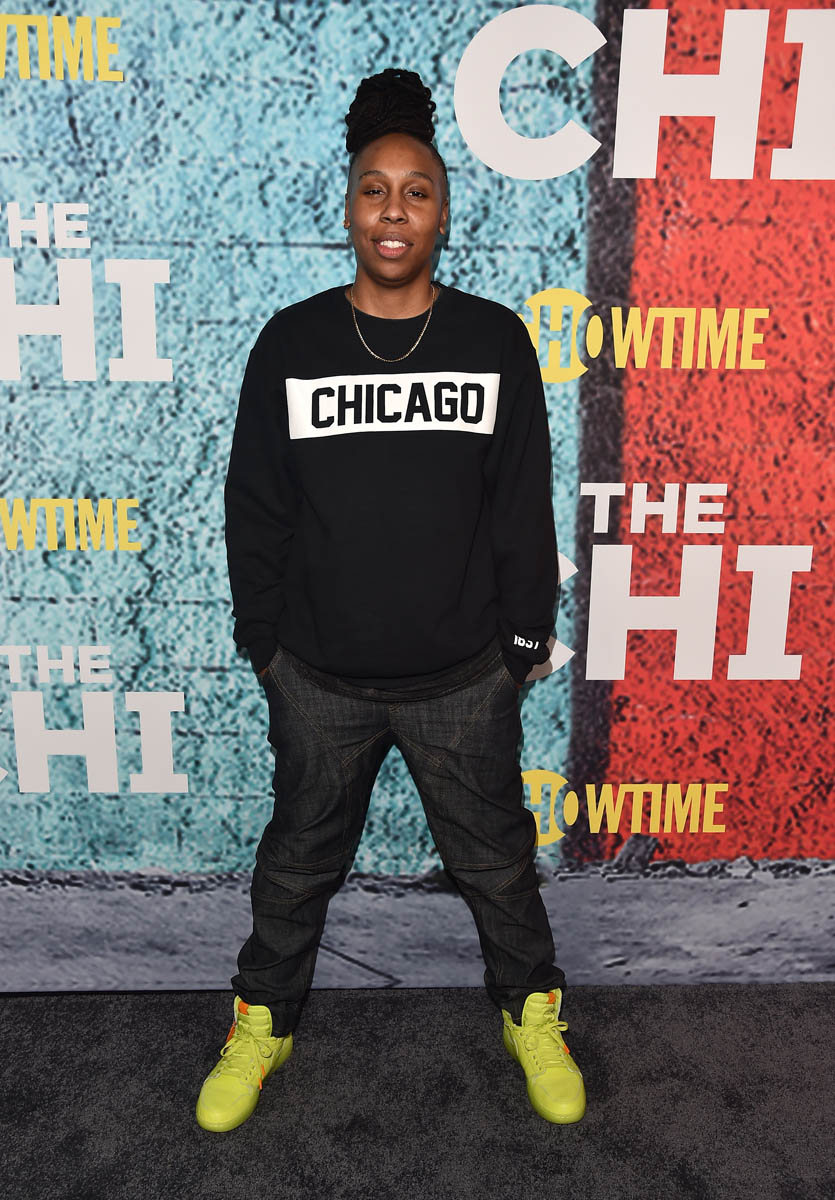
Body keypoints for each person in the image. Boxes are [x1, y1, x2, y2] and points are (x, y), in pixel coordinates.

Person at [195, 67, 585, 1133]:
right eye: (375, 189)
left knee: (496, 865)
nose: (394, 210)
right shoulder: (292, 343)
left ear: (444, 212)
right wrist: (265, 643)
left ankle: (531, 1014)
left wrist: (519, 647)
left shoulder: (492, 340)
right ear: (349, 208)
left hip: (462, 678)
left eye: (417, 191)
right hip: (318, 677)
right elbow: (254, 505)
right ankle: (263, 1024)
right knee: (296, 864)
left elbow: (520, 502)